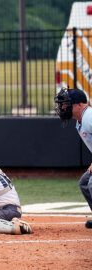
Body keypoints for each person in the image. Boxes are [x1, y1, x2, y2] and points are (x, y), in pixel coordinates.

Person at [54, 87, 92, 229]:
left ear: (80, 105)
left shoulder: (89, 117)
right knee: (84, 183)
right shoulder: (81, 120)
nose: (63, 108)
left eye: (67, 104)